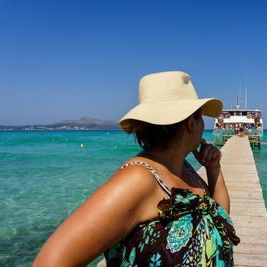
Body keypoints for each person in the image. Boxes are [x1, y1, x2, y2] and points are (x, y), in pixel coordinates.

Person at [33, 71, 240, 266]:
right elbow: (50, 261)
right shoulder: (138, 179)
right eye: (201, 116)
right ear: (190, 123)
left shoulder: (182, 168)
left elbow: (220, 220)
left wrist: (214, 170)